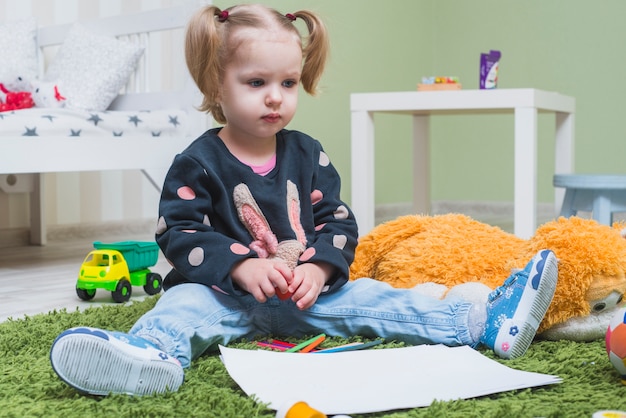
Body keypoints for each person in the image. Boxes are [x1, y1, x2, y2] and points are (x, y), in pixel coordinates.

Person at [49, 3, 558, 397]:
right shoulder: (197, 161)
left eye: (287, 82)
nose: (276, 96)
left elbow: (337, 222)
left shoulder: (308, 153)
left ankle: (480, 322)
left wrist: (319, 272)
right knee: (178, 305)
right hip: (224, 300)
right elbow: (179, 231)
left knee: (376, 299)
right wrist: (241, 268)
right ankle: (152, 356)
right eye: (256, 82)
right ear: (215, 85)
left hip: (307, 298)